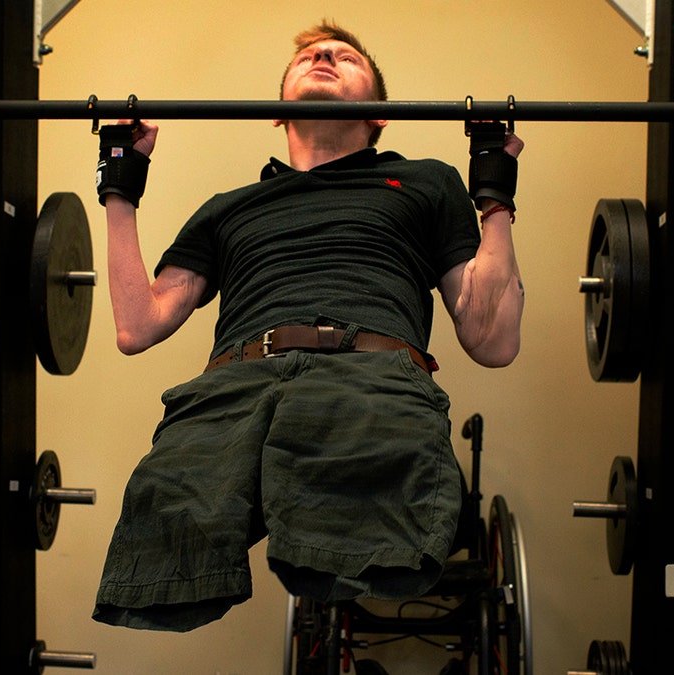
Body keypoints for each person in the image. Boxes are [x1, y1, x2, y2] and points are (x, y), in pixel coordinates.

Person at [92, 20, 525, 632]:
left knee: (368, 542)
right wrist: (120, 182)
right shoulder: (228, 207)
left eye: (344, 57)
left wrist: (494, 189)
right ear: (276, 111)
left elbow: (493, 339)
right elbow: (138, 325)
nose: (323, 56)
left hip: (368, 377)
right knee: (161, 546)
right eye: (309, 57)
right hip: (232, 386)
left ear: (379, 114)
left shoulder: (425, 181)